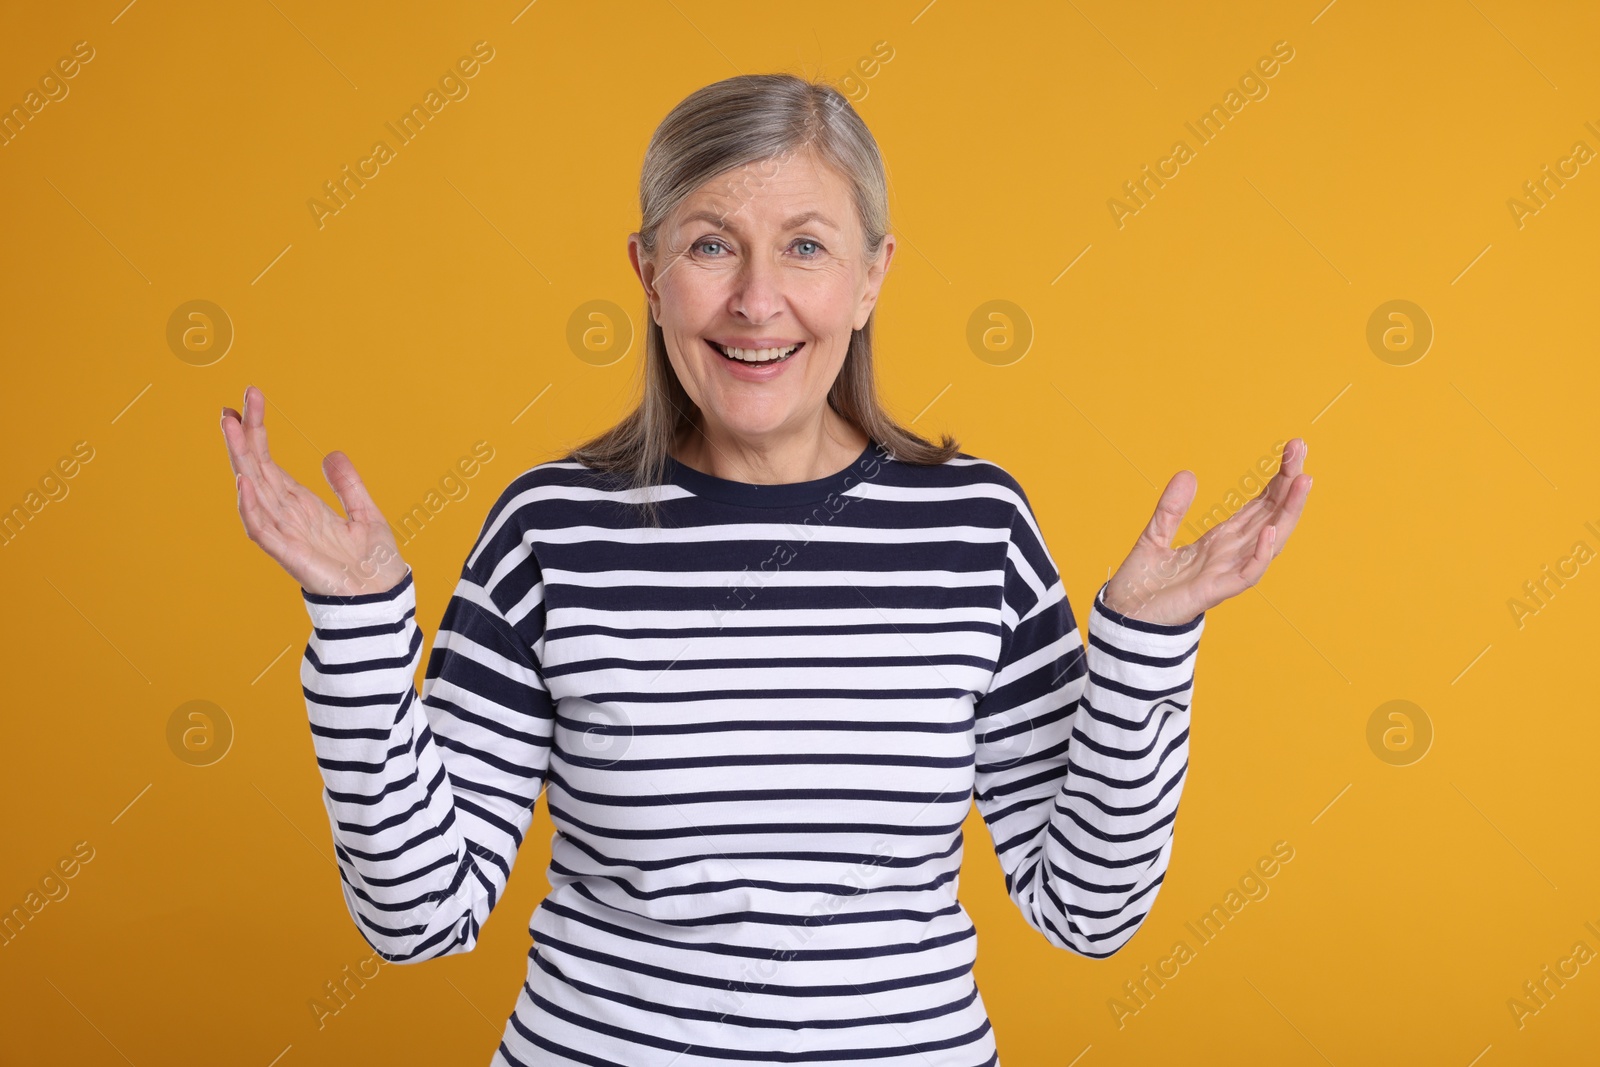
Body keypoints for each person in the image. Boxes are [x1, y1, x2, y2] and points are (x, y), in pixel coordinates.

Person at [221, 73, 1310, 1067]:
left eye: (804, 246)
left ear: (872, 277)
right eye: (708, 245)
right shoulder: (548, 529)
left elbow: (1087, 907)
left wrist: (1143, 648)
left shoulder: (975, 527)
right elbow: (421, 916)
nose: (754, 300)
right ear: (647, 276)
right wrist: (359, 626)